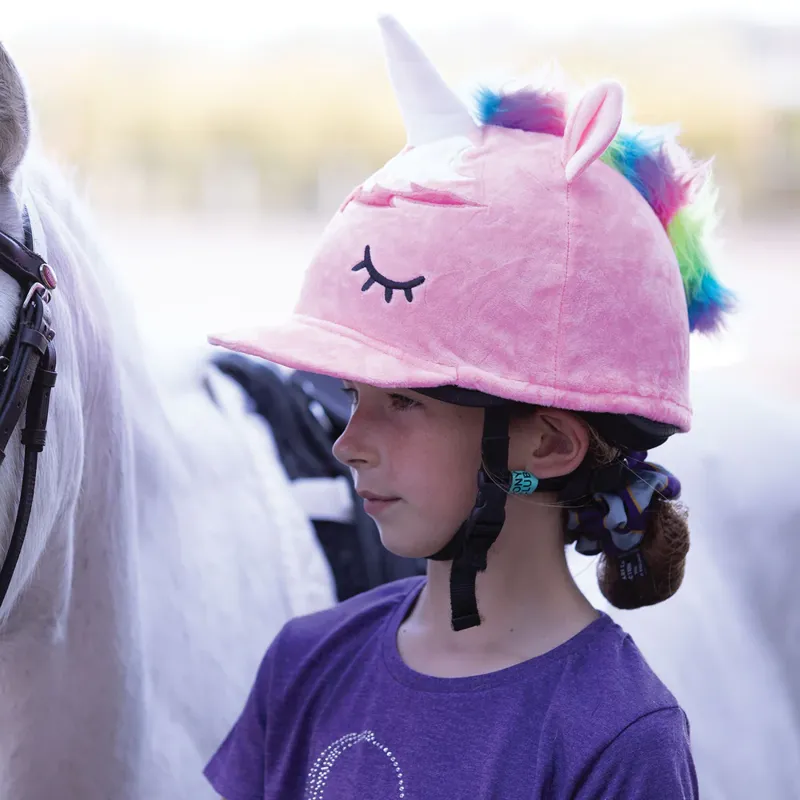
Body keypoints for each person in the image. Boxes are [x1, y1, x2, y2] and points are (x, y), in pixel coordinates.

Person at [203, 14, 733, 799]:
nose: (349, 442)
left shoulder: (618, 738)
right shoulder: (305, 662)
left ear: (547, 446)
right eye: (353, 395)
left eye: (404, 402)